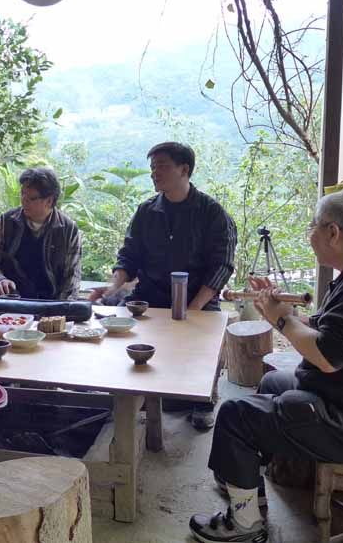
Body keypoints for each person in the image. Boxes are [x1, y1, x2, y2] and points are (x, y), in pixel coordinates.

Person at [189, 191, 343, 543]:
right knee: (272, 384)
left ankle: (245, 526)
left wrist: (282, 321)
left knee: (235, 414)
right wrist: (280, 312)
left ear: (333, 232)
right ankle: (245, 484)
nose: (310, 233)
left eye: (313, 226)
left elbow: (327, 357)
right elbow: (330, 331)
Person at [90, 142, 237, 429]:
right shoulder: (147, 211)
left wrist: (193, 309)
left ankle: (203, 401)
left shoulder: (212, 213)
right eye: (152, 168)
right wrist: (112, 287)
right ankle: (133, 394)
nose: (154, 173)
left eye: (162, 166)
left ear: (184, 170)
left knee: (202, 341)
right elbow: (129, 255)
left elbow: (221, 266)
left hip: (197, 297)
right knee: (117, 331)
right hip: (151, 295)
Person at [0, 167, 82, 300]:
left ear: (49, 201)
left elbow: (72, 277)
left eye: (31, 198)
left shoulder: (68, 230)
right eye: (22, 194)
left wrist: (63, 307)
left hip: (50, 302)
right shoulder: (5, 222)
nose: (23, 200)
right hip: (8, 299)